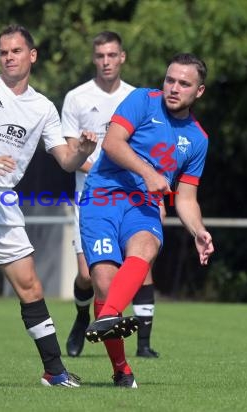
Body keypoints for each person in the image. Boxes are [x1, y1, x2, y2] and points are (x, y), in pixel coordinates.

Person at [0, 24, 97, 389]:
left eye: (16, 51)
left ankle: (54, 372)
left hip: (2, 200)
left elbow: (66, 161)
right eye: (3, 52)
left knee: (31, 287)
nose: (9, 57)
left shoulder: (43, 108)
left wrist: (83, 152)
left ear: (32, 56)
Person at [80, 52, 215, 388]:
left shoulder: (198, 139)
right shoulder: (142, 99)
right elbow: (112, 143)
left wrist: (197, 230)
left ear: (198, 91)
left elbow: (185, 198)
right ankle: (122, 369)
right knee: (105, 282)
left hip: (143, 205)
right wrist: (148, 172)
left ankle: (107, 315)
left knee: (147, 245)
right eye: (170, 80)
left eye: (184, 84)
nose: (174, 88)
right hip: (103, 197)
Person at [61, 31, 162, 359]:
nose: (106, 61)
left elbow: (147, 153)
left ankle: (144, 344)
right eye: (101, 56)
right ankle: (81, 318)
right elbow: (71, 152)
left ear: (123, 58)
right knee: (87, 275)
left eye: (112, 55)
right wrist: (106, 167)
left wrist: (156, 196)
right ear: (94, 58)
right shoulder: (76, 98)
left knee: (141, 264)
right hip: (92, 197)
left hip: (133, 197)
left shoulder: (139, 98)